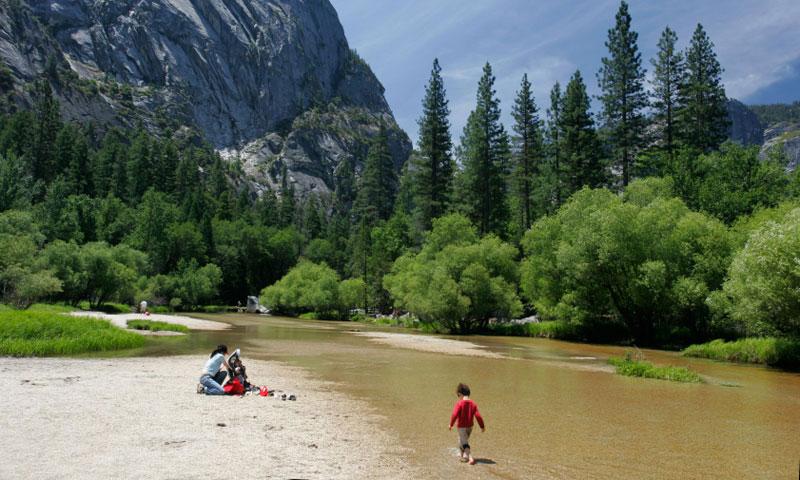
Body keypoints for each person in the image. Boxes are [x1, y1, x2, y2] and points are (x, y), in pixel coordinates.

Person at [448, 382, 485, 465]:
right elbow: (478, 416)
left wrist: (451, 424)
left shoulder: (459, 403)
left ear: (460, 394)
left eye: (458, 396)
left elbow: (454, 414)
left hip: (461, 427)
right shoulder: (473, 404)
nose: (458, 398)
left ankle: (470, 458)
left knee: (464, 443)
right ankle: (463, 456)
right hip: (470, 427)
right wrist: (482, 426)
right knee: (462, 440)